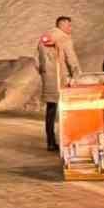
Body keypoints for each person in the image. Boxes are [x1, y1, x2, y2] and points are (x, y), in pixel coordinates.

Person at [36, 15, 80, 151]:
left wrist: (43, 72)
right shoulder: (64, 38)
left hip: (48, 80)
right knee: (68, 110)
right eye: (68, 25)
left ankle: (50, 141)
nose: (70, 28)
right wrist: (77, 74)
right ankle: (68, 140)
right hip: (61, 79)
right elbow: (71, 59)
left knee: (51, 110)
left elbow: (37, 60)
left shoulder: (44, 38)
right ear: (61, 25)